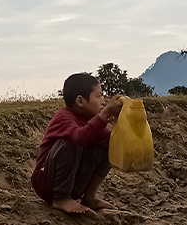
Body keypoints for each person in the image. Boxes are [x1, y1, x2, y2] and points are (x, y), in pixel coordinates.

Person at [31, 73, 124, 215]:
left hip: (74, 185)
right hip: (47, 183)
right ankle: (61, 198)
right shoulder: (63, 117)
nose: (103, 102)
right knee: (72, 141)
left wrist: (120, 119)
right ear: (80, 101)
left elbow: (114, 143)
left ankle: (89, 197)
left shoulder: (93, 122)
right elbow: (79, 137)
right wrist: (105, 114)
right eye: (99, 96)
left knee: (108, 146)